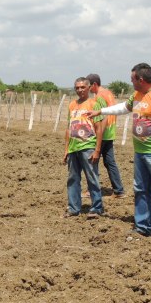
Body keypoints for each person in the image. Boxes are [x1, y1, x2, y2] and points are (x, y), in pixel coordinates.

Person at [86, 63, 151, 246]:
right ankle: (143, 226)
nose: (131, 82)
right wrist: (101, 110)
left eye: (132, 79)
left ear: (141, 79)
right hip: (140, 152)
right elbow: (124, 107)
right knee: (140, 189)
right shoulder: (138, 95)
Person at [63, 77, 104, 219]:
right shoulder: (72, 105)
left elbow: (99, 129)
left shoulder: (94, 104)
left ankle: (96, 208)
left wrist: (97, 150)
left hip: (88, 146)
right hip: (74, 147)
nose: (80, 90)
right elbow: (69, 128)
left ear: (89, 88)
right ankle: (74, 208)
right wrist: (66, 149)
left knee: (92, 177)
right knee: (73, 178)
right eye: (77, 88)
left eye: (82, 87)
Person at [85, 73, 126, 198]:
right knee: (109, 162)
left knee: (93, 161)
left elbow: (102, 118)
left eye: (88, 86)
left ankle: (91, 190)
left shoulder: (99, 97)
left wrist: (98, 135)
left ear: (94, 84)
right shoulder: (109, 93)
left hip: (102, 133)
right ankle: (119, 190)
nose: (87, 89)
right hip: (110, 132)